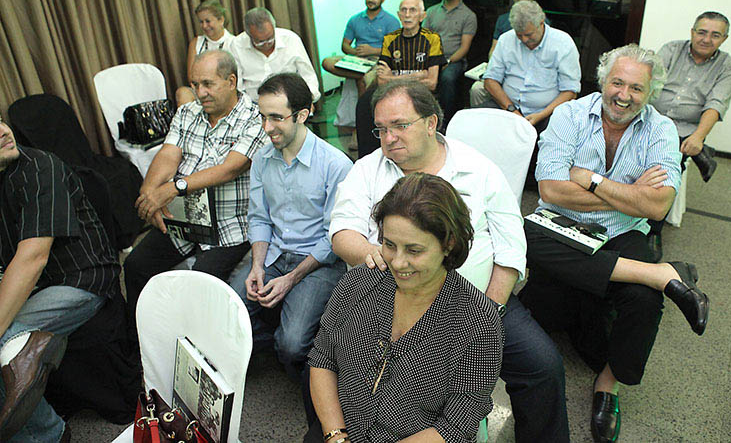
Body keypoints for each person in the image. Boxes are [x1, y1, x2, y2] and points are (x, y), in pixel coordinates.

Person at [331, 80, 569, 442]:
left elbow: (510, 247)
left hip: (479, 299)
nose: (388, 138)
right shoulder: (367, 169)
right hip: (389, 304)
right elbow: (342, 233)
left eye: (400, 125)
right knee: (324, 367)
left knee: (542, 365)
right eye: (381, 129)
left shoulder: (478, 168)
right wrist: (378, 255)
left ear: (431, 123)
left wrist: (489, 313)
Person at [519, 44, 710, 443]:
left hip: (620, 231)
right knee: (528, 237)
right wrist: (629, 191)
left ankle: (609, 385)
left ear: (651, 92)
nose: (624, 95)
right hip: (561, 225)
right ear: (603, 80)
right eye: (617, 82)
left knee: (643, 300)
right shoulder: (570, 115)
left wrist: (589, 179)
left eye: (636, 88)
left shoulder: (660, 129)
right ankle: (662, 274)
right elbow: (551, 189)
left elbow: (658, 205)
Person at [309, 173, 504, 443]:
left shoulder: (478, 322)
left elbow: (456, 425)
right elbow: (322, 359)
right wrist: (335, 435)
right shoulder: (358, 282)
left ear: (449, 245)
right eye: (389, 245)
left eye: (414, 251)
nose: (397, 263)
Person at [123, 49, 266, 325]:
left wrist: (175, 187)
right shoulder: (188, 112)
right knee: (134, 266)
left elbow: (231, 168)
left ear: (232, 82)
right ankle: (138, 349)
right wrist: (149, 195)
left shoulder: (253, 117)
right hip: (184, 220)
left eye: (208, 84)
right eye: (195, 85)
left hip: (229, 227)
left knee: (198, 287)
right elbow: (167, 155)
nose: (200, 93)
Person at [0, 114, 118, 442]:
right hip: (34, 284)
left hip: (79, 279)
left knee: (2, 338)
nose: (2, 131)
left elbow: (33, 258)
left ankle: (50, 436)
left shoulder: (39, 168)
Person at [229, 73, 352, 380]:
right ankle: (274, 336)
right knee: (227, 312)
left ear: (302, 115)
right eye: (262, 117)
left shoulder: (335, 165)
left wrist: (291, 279)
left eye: (276, 118)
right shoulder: (262, 159)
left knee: (293, 345)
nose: (267, 128)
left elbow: (333, 238)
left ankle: (297, 349)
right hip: (272, 255)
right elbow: (259, 218)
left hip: (318, 262)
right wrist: (257, 266)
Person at [647, 11, 731, 260]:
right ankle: (703, 157)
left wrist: (698, 137)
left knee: (665, 170)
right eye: (702, 32)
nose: (706, 39)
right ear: (692, 32)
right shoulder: (671, 50)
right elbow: (647, 81)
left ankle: (653, 229)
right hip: (652, 118)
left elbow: (715, 105)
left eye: (715, 35)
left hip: (685, 128)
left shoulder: (727, 67)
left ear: (724, 38)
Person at [479, 0, 581, 187]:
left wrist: (541, 115)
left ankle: (534, 182)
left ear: (542, 24)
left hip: (547, 111)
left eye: (529, 35)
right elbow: (490, 80)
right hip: (509, 106)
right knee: (481, 120)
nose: (524, 40)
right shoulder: (506, 40)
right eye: (520, 36)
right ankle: (491, 175)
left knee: (557, 128)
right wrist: (511, 109)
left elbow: (570, 91)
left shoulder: (563, 43)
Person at [354, 0, 446, 158]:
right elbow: (382, 80)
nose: (407, 15)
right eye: (403, 10)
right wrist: (418, 75)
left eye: (412, 10)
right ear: (398, 14)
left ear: (422, 15)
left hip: (420, 93)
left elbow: (432, 82)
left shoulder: (432, 39)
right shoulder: (390, 39)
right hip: (392, 91)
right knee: (364, 103)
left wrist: (393, 78)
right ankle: (369, 157)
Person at [321, 0, 401, 151]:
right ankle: (358, 74)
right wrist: (354, 52)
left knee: (364, 80)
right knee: (327, 62)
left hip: (378, 60)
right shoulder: (355, 19)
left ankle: (359, 130)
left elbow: (395, 50)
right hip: (357, 59)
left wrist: (372, 50)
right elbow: (345, 46)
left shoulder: (391, 21)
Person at [470, 0, 540, 106]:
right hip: (502, 71)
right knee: (476, 89)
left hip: (525, 77)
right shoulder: (503, 20)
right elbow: (493, 50)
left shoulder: (539, 23)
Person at [229, 7, 321, 103]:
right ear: (248, 35)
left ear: (274, 28)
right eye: (260, 41)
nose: (267, 44)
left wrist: (308, 99)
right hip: (255, 103)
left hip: (290, 101)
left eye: (270, 38)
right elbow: (237, 87)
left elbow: (308, 75)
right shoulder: (236, 45)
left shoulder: (291, 39)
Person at [422, 0, 478, 124]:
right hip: (431, 59)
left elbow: (464, 48)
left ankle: (446, 122)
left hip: (454, 60)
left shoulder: (468, 15)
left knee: (447, 78)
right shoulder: (432, 11)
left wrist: (446, 62)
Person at [176, 0, 237, 106]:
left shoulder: (234, 42)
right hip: (200, 89)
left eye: (208, 21)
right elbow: (191, 76)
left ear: (221, 20)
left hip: (223, 90)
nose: (204, 26)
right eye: (201, 22)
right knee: (182, 93)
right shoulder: (196, 43)